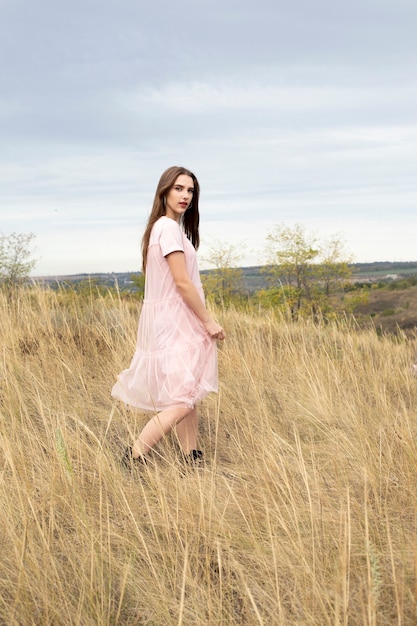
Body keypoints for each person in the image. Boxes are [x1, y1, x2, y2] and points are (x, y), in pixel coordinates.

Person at [112, 166, 226, 467]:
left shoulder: (164, 228)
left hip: (174, 322)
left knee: (187, 394)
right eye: (179, 189)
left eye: (190, 191)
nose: (185, 196)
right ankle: (133, 455)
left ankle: (192, 456)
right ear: (164, 191)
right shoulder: (168, 228)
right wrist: (208, 321)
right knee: (181, 401)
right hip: (176, 323)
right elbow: (182, 282)